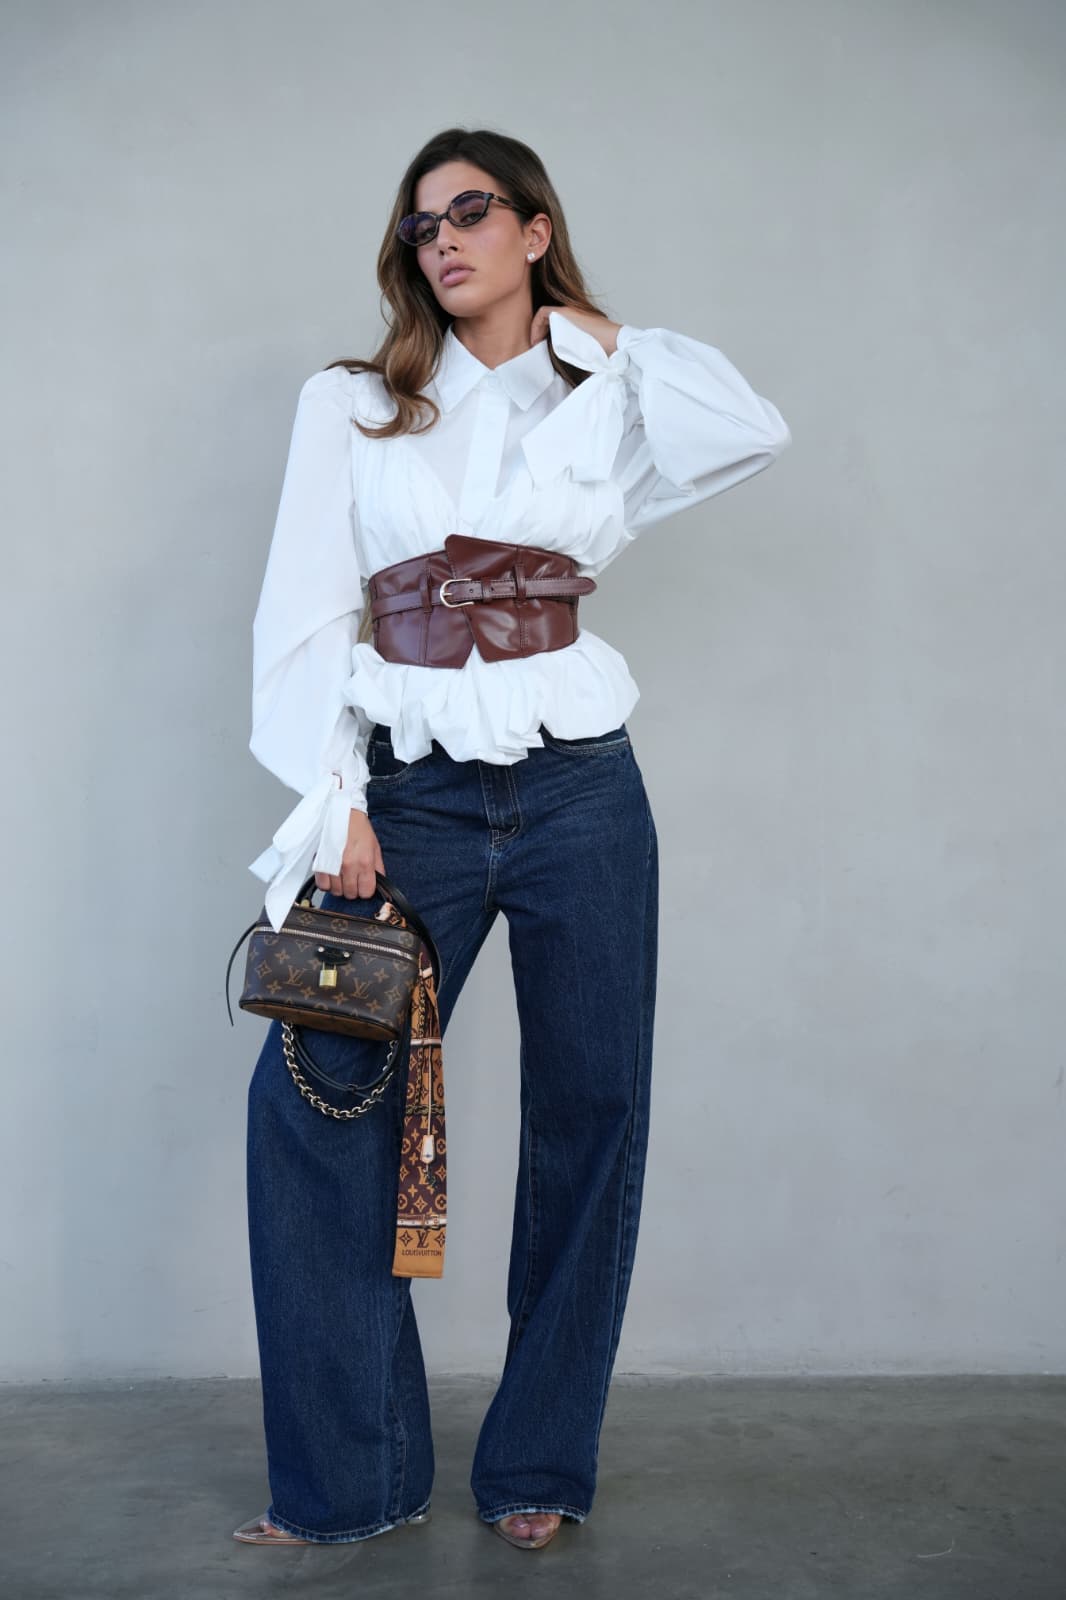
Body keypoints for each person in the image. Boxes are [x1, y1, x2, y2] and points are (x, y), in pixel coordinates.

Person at [234, 125, 790, 1554]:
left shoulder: (609, 396)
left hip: (579, 790)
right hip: (407, 797)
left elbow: (747, 432)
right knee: (317, 1107)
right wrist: (336, 800)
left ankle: (538, 1460)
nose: (443, 242)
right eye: (420, 227)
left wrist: (599, 339)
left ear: (536, 228)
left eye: (472, 213)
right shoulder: (354, 402)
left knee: (590, 1116)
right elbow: (305, 605)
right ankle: (349, 1481)